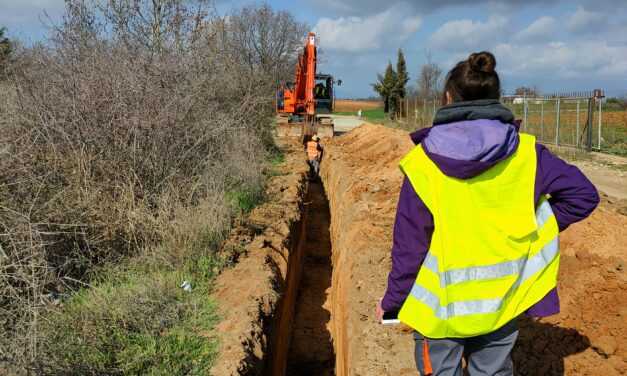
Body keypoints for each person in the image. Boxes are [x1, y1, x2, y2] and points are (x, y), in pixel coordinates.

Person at [376, 51, 599, 376]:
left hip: (440, 312)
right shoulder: (527, 155)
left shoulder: (423, 163)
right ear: (496, 98)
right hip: (501, 302)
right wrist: (538, 220)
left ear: (448, 98)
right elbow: (583, 196)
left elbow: (410, 247)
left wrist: (394, 300)